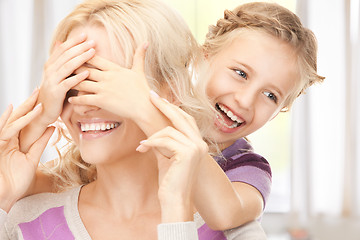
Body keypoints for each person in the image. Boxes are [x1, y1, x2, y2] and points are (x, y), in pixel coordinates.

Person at [1, 0, 324, 239]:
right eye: (240, 73)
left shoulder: (245, 166)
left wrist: (144, 107)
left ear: (171, 89)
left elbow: (227, 212)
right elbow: (38, 185)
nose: (244, 99)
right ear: (203, 59)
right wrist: (38, 118)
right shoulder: (33, 218)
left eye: (271, 96)